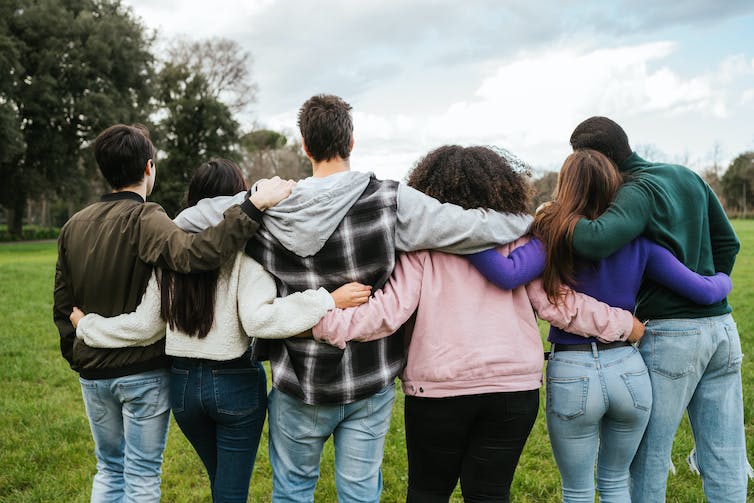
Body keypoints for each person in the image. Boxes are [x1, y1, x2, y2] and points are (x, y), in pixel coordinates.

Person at [173, 95, 534, 502]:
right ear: (352, 142)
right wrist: (534, 220)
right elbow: (472, 227)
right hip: (368, 377)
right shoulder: (391, 201)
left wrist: (253, 201)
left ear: (306, 146)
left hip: (298, 378)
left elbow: (186, 220)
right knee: (360, 494)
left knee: (292, 492)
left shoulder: (269, 207)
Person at [311, 145, 652, 502]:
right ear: (503, 185)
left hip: (439, 390)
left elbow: (386, 313)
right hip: (512, 390)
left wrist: (317, 323)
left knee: (428, 492)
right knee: (490, 494)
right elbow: (559, 305)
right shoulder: (519, 240)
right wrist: (624, 324)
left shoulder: (422, 245)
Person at [69, 159, 372, 503]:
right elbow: (259, 320)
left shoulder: (170, 247)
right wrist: (326, 299)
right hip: (234, 383)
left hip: (183, 389)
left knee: (221, 485)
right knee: (230, 493)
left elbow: (144, 326)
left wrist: (87, 326)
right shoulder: (247, 246)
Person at [469, 149, 732, 502]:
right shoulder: (640, 242)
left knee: (577, 488)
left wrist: (461, 236)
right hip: (628, 370)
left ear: (564, 186)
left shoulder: (550, 234)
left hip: (573, 370)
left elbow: (507, 273)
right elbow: (701, 290)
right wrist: (723, 281)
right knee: (615, 482)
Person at [52, 125, 293, 503]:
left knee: (108, 469)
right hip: (144, 372)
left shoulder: (72, 226)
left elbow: (63, 304)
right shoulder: (147, 218)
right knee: (143, 474)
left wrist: (79, 353)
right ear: (149, 168)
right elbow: (194, 256)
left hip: (96, 373)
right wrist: (251, 207)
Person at [568, 117, 745, 502]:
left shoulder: (637, 189)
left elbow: (595, 241)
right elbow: (728, 245)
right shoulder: (687, 175)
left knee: (646, 459)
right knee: (726, 455)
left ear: (594, 159)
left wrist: (553, 213)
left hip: (672, 336)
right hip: (723, 330)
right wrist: (709, 290)